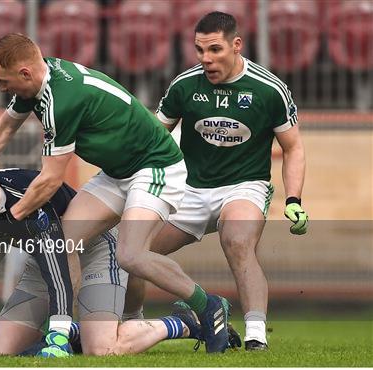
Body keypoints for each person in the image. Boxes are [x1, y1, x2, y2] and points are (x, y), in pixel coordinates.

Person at [0, 33, 230, 353]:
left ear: (25, 73)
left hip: (156, 167)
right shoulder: (40, 81)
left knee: (131, 254)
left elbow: (50, 180)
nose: (1, 88)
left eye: (3, 81)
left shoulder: (61, 100)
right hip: (117, 173)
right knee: (62, 242)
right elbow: (2, 130)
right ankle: (64, 330)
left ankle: (209, 306)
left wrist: (8, 219)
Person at [124, 11, 309, 351]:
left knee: (237, 241)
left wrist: (293, 200)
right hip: (188, 190)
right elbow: (152, 138)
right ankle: (131, 325)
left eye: (214, 50)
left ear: (236, 45)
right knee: (132, 251)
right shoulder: (184, 85)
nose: (206, 59)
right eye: (199, 50)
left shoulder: (270, 89)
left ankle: (256, 337)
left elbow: (293, 148)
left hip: (244, 185)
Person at [0, 149, 217, 357]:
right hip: (42, 262)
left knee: (103, 350)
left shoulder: (32, 203)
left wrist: (58, 332)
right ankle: (80, 331)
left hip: (94, 252)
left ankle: (181, 324)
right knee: (2, 353)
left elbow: (61, 271)